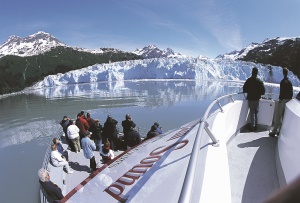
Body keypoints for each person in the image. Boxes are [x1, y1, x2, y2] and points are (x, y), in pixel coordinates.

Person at [269, 68, 293, 137]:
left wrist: (280, 100)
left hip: (282, 101)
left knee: (278, 117)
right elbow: (291, 93)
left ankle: (273, 132)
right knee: (284, 117)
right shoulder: (290, 82)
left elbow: (281, 92)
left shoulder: (282, 82)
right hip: (288, 101)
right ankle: (280, 132)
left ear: (283, 73)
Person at [243, 67, 266, 132]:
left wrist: (249, 91)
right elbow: (263, 92)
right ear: (257, 73)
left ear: (252, 72)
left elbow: (244, 89)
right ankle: (255, 126)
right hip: (257, 99)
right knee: (256, 112)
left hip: (250, 99)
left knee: (252, 112)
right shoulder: (259, 81)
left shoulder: (248, 80)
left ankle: (252, 126)